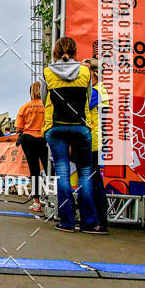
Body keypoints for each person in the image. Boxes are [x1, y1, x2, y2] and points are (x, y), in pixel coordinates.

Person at [42, 37, 101, 233]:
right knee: (85, 173)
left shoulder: (47, 73)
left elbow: (44, 100)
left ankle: (67, 221)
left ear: (55, 52)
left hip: (56, 126)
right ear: (75, 52)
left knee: (62, 173)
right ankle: (89, 222)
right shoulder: (85, 71)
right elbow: (88, 96)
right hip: (81, 126)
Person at [83, 58, 109, 233]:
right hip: (93, 141)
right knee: (93, 182)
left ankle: (98, 222)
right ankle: (95, 221)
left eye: (84, 71)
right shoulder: (97, 90)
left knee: (94, 183)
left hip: (93, 142)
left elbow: (80, 108)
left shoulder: (96, 91)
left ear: (93, 72)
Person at [15, 82, 48, 213]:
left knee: (34, 170)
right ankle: (57, 199)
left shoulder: (25, 107)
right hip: (44, 138)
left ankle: (37, 202)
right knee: (50, 169)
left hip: (28, 139)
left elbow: (18, 128)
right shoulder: (47, 106)